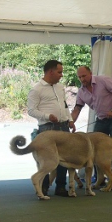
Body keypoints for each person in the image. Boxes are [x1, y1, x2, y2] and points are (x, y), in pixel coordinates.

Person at [71, 65, 112, 190]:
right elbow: (77, 108)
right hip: (101, 120)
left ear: (90, 73)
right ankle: (100, 179)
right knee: (93, 149)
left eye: (84, 76)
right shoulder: (81, 91)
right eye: (79, 77)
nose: (82, 79)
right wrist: (71, 121)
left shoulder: (104, 80)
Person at [27, 59, 76, 197]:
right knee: (47, 160)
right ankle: (43, 187)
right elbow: (31, 110)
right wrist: (47, 116)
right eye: (59, 72)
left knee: (64, 158)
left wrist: (70, 120)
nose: (61, 75)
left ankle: (61, 187)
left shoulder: (60, 87)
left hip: (63, 126)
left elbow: (65, 105)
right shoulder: (36, 90)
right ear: (50, 71)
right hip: (47, 129)